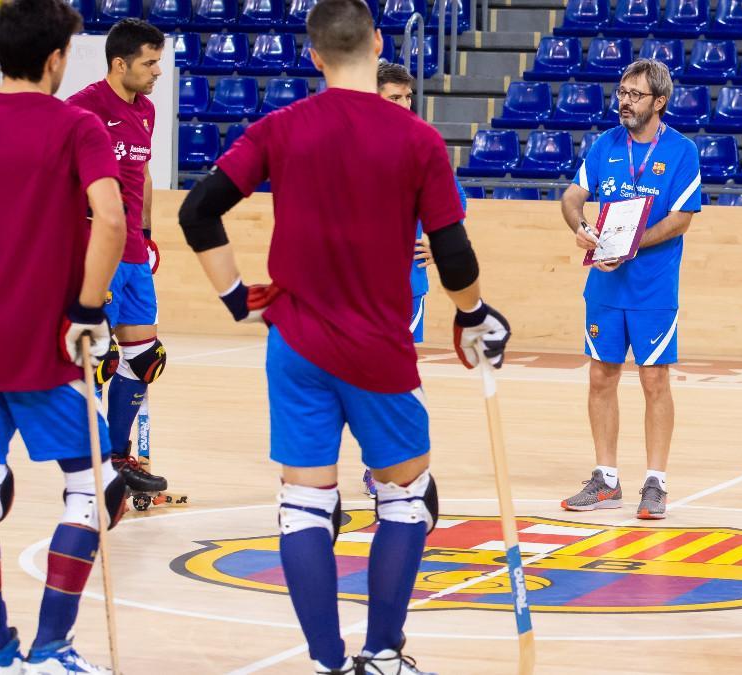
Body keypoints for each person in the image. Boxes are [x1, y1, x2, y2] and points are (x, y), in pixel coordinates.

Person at [176, 1, 509, 673]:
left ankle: (327, 662)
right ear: (380, 42)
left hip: (294, 343)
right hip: (377, 348)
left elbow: (197, 209)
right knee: (406, 496)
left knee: (304, 502)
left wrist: (237, 296)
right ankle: (382, 655)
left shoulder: (280, 127)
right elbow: (453, 252)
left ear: (313, 53)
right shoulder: (417, 140)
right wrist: (474, 315)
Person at [0, 0, 128, 672]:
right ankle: (50, 645)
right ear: (56, 59)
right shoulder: (78, 127)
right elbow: (111, 221)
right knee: (94, 489)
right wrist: (88, 307)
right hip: (47, 348)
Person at [558, 58, 702, 520]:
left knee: (654, 378)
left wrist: (634, 242)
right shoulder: (604, 144)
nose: (624, 101)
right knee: (601, 375)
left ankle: (655, 482)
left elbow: (681, 219)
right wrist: (581, 226)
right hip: (604, 282)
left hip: (653, 287)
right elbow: (572, 196)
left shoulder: (682, 152)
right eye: (621, 92)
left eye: (635, 94)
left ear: (659, 102)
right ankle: (606, 478)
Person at [66, 18, 169, 495]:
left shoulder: (145, 111)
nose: (157, 73)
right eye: (149, 64)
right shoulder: (81, 111)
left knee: (144, 357)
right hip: (97, 251)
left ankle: (119, 456)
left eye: (159, 62)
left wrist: (147, 235)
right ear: (119, 63)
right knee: (97, 360)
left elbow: (143, 175)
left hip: (134, 252)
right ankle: (86, 468)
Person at [362, 61, 468, 498]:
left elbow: (453, 205)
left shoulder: (424, 146)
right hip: (358, 284)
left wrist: (438, 243)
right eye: (394, 98)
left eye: (408, 98)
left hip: (406, 286)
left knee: (396, 374)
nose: (405, 106)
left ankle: (392, 462)